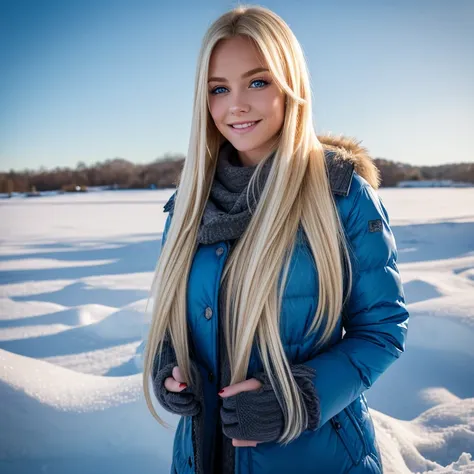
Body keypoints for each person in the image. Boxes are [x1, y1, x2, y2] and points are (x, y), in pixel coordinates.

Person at [142, 5, 409, 474]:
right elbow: (172, 320)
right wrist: (170, 370)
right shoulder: (187, 205)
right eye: (219, 89)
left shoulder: (341, 195)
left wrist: (297, 399)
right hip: (201, 458)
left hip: (314, 456)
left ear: (292, 86)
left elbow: (382, 331)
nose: (236, 105)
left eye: (257, 82)